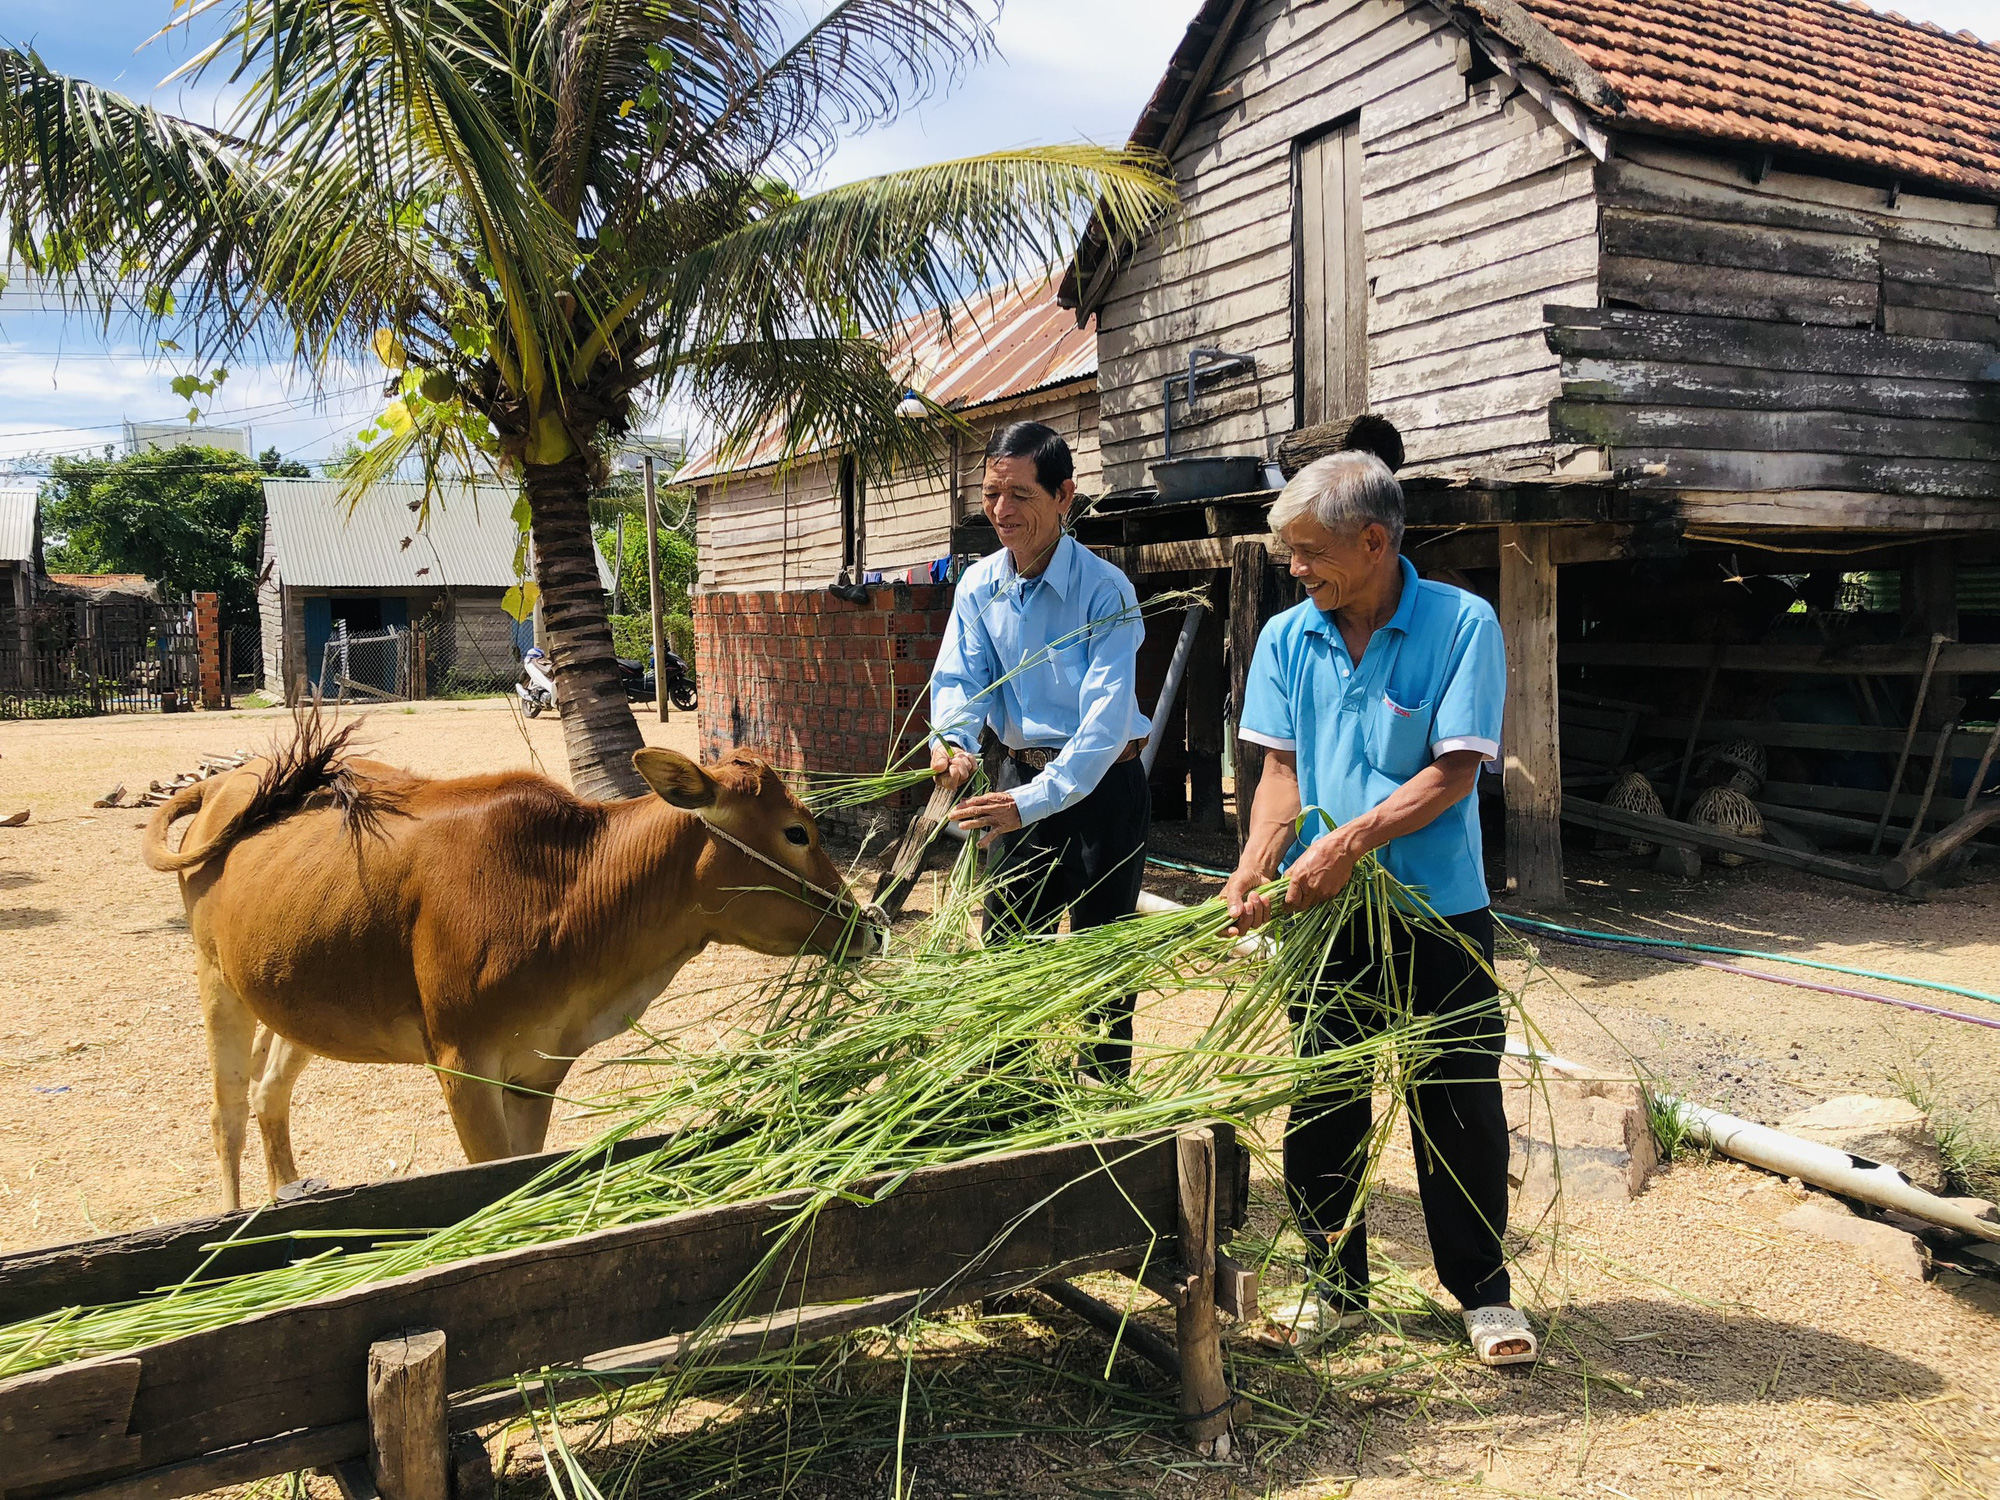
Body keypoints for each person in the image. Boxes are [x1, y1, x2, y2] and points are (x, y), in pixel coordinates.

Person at [1220, 450, 1536, 1367]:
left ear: (1373, 541)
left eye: (1311, 551)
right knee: (1325, 1091)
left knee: (1459, 1097)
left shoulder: (1460, 624)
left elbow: (1453, 771)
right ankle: (1332, 1283)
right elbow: (1280, 769)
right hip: (1325, 917)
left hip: (1439, 905)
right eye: (1290, 554)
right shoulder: (1288, 636)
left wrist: (1345, 843)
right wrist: (1255, 862)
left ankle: (1482, 1293)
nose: (1298, 568)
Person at [928, 421, 1151, 1079]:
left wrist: (1033, 801)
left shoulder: (1104, 591)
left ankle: (1103, 1105)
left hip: (1105, 788)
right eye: (992, 493)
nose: (1001, 511)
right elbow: (959, 682)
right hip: (1015, 784)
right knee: (1008, 953)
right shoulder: (977, 588)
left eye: (1020, 495)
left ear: (1065, 497)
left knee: (1101, 964)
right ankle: (1010, 1102)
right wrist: (956, 744)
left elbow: (1104, 727)